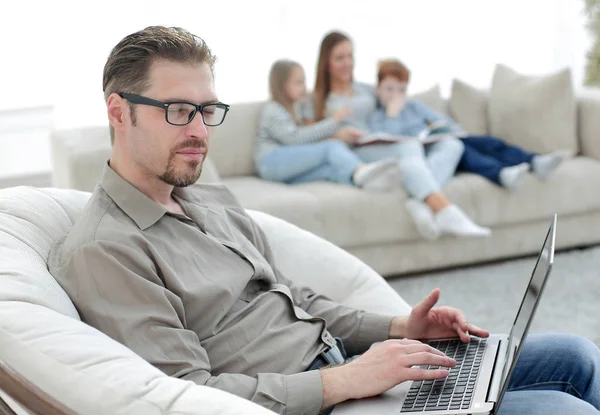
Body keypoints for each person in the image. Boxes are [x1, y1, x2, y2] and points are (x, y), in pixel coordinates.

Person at [47, 26, 600, 415]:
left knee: (577, 355)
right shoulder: (106, 249)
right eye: (178, 111)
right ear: (118, 112)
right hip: (325, 401)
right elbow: (189, 396)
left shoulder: (210, 200)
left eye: (208, 110)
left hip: (350, 369)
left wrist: (400, 328)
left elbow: (295, 298)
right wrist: (346, 381)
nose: (198, 130)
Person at [306, 31, 490, 240]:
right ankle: (444, 209)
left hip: (381, 141)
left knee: (452, 145)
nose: (347, 63)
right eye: (340, 58)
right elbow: (307, 139)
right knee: (409, 147)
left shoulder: (365, 90)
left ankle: (421, 202)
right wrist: (337, 136)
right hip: (356, 151)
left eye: (350, 56)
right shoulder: (316, 99)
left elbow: (393, 103)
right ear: (325, 62)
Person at [372, 58, 565, 191]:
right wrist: (392, 114)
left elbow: (442, 120)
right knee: (462, 150)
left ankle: (534, 161)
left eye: (401, 89)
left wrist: (444, 128)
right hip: (431, 154)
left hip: (441, 138)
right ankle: (501, 174)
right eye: (389, 89)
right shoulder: (378, 117)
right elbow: (388, 142)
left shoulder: (414, 106)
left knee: (487, 142)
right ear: (378, 89)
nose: (395, 95)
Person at [255, 59, 399, 191]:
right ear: (282, 86)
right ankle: (362, 169)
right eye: (298, 83)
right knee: (331, 147)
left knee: (330, 170)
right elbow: (294, 139)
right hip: (271, 162)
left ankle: (369, 182)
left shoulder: (296, 108)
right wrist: (333, 122)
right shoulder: (273, 110)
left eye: (304, 82)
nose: (304, 88)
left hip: (283, 167)